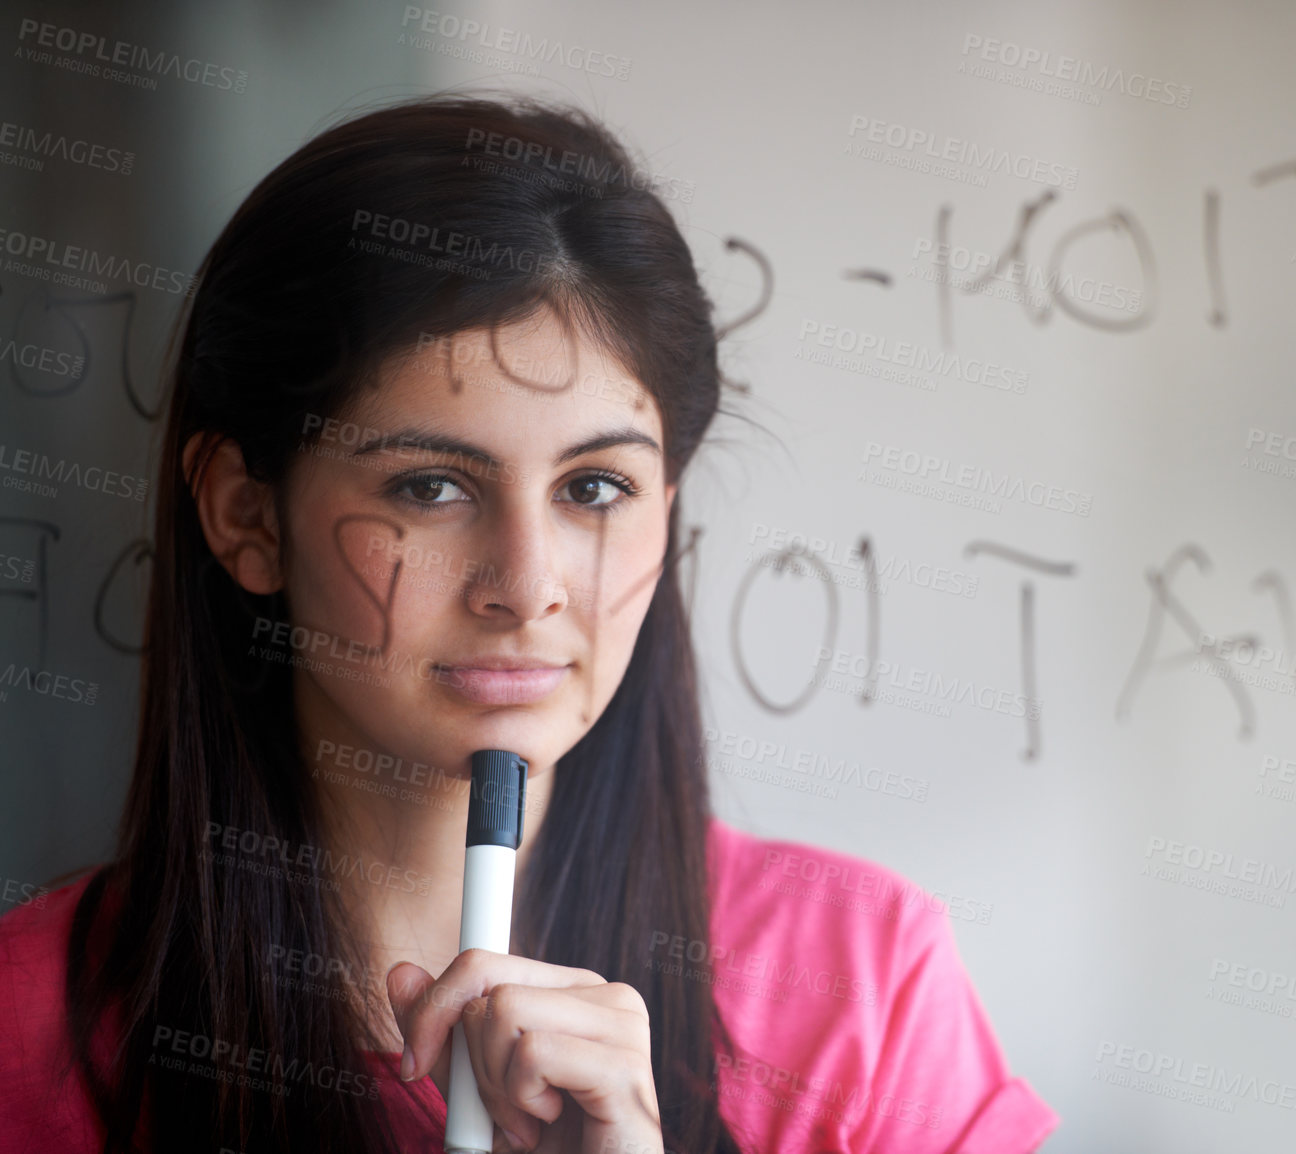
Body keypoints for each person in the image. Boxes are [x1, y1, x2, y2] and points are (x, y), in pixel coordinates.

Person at [0, 95, 1059, 1154]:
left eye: (595, 488)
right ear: (246, 512)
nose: (527, 585)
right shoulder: (25, 1033)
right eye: (430, 486)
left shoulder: (859, 989)